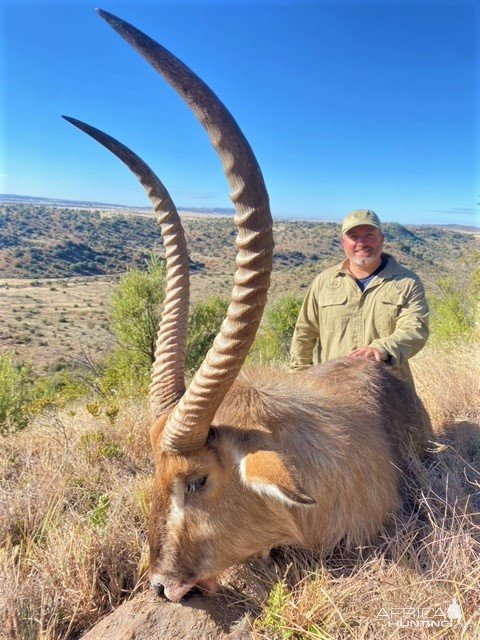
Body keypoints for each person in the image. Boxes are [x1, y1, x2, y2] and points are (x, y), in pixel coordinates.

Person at [289, 209, 429, 384]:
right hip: (332, 391)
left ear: (382, 238)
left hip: (389, 393)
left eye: (369, 235)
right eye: (354, 236)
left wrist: (381, 348)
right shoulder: (323, 282)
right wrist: (299, 379)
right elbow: (304, 332)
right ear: (343, 242)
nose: (361, 243)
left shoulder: (407, 282)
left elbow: (415, 330)